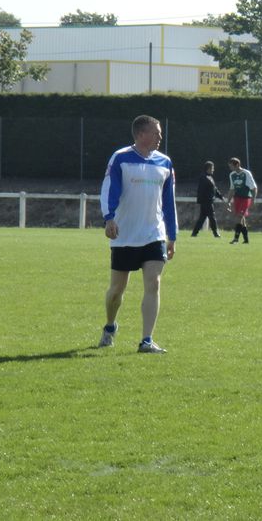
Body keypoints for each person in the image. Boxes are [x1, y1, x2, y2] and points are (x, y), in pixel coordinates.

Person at [98, 115, 177, 354]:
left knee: (154, 282)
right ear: (141, 134)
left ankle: (146, 340)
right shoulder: (121, 158)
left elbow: (169, 202)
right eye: (156, 132)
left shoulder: (165, 162)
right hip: (124, 234)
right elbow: (108, 189)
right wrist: (109, 217)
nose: (160, 137)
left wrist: (172, 236)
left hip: (154, 234)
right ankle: (110, 326)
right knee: (116, 291)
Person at [226, 157, 257, 244]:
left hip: (246, 198)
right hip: (237, 198)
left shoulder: (246, 173)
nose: (230, 168)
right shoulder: (232, 175)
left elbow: (254, 188)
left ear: (238, 165)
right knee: (241, 218)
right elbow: (232, 189)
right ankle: (246, 240)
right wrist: (228, 201)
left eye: (231, 166)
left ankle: (236, 239)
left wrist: (253, 200)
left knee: (239, 216)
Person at [190, 161, 224, 237]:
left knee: (202, 218)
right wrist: (203, 201)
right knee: (212, 217)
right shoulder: (203, 177)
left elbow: (214, 189)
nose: (213, 170)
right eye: (212, 168)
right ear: (208, 168)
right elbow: (201, 190)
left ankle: (194, 233)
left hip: (208, 201)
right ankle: (216, 233)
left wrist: (220, 196)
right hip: (206, 201)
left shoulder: (210, 177)